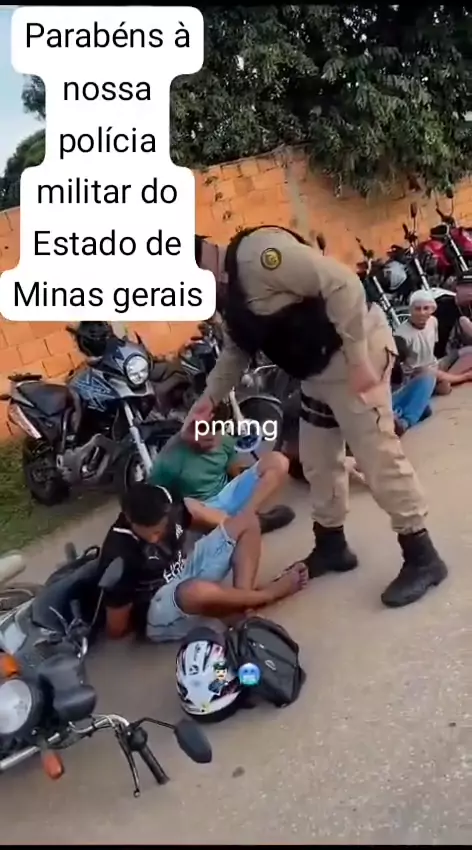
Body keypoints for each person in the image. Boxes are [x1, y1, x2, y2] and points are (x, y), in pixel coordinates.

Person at [190, 228, 449, 609]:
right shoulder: (229, 292)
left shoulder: (260, 255)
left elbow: (344, 284)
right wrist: (207, 401)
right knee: (317, 461)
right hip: (318, 374)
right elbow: (236, 351)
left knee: (378, 458)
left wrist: (359, 361)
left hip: (353, 359)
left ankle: (422, 556)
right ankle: (331, 545)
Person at [100, 482, 307, 643]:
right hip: (159, 607)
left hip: (185, 570)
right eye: (150, 533)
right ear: (129, 519)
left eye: (159, 530)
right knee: (194, 591)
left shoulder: (170, 504)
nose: (155, 539)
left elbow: (195, 519)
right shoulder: (118, 554)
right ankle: (268, 595)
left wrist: (223, 538)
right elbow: (117, 629)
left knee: (248, 521)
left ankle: (244, 606)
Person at [148, 409, 294, 533]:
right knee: (187, 508)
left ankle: (247, 516)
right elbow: (160, 499)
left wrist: (253, 481)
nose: (211, 438)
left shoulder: (223, 438)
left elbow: (233, 470)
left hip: (228, 490)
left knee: (278, 461)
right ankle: (251, 524)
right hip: (206, 508)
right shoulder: (169, 460)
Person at [396, 290, 472, 397]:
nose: (422, 313)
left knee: (468, 351)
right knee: (435, 379)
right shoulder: (401, 335)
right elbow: (401, 369)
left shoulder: (433, 321)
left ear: (432, 309)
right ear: (411, 310)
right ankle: (463, 377)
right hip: (417, 374)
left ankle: (445, 379)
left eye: (426, 308)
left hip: (434, 364)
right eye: (417, 309)